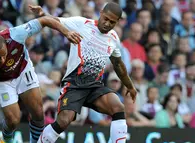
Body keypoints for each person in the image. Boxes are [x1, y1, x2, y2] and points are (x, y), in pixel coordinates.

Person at [30, 2, 137, 143]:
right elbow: (55, 21)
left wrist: (130, 86)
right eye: (106, 19)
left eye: (112, 22)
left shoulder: (114, 38)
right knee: (63, 121)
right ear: (101, 13)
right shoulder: (82, 23)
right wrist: (43, 14)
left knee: (118, 106)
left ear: (117, 22)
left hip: (94, 86)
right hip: (74, 84)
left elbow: (118, 63)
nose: (107, 24)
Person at [0, 15, 82, 143]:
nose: (2, 60)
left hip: (23, 71)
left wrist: (66, 32)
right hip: (3, 81)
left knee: (38, 114)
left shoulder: (16, 34)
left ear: (6, 45)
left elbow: (44, 20)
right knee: (13, 120)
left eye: (4, 55)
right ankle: (6, 140)